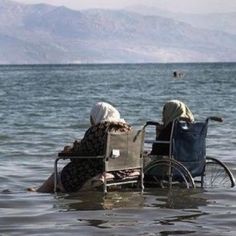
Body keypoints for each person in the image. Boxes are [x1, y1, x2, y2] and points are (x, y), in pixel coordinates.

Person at [36, 101, 135, 193]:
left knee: (58, 176)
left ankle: (38, 193)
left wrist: (70, 151)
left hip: (101, 168)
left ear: (98, 115)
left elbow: (84, 152)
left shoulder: (99, 129)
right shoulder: (127, 129)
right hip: (125, 169)